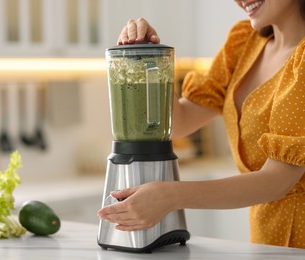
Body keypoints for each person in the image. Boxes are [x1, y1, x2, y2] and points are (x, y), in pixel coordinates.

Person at [97, 0, 305, 249]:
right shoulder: (244, 43)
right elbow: (179, 122)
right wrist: (150, 56)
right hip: (266, 236)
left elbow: (276, 181)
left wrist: (168, 196)